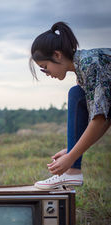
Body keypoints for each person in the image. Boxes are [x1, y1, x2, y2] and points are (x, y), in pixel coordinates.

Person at [29, 21, 111, 189]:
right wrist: (72, 150)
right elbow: (107, 117)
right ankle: (74, 171)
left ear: (57, 55)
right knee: (76, 93)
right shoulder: (82, 70)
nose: (46, 73)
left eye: (45, 67)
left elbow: (100, 119)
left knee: (76, 94)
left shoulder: (90, 64)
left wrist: (72, 156)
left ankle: (73, 171)